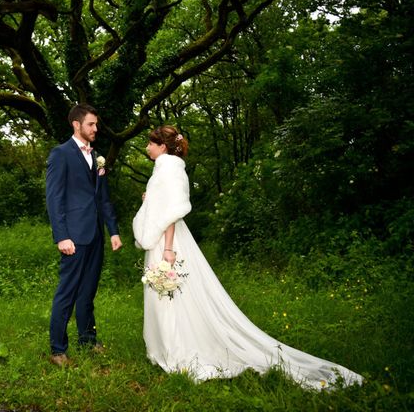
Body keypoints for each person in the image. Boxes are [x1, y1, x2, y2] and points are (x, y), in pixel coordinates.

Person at [132, 125, 363, 389]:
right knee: (166, 295)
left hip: (167, 241)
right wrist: (148, 199)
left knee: (170, 295)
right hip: (162, 239)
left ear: (162, 146)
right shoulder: (165, 168)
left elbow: (171, 212)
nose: (147, 147)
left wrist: (169, 249)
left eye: (150, 143)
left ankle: (175, 349)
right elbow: (162, 205)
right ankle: (166, 346)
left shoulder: (169, 169)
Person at [45, 103, 123, 366]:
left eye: (96, 124)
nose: (96, 128)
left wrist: (112, 231)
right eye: (91, 124)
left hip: (96, 236)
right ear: (76, 125)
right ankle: (58, 350)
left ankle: (88, 340)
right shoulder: (60, 154)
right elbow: (54, 199)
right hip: (74, 238)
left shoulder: (96, 156)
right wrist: (61, 236)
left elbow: (103, 198)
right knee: (67, 293)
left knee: (87, 293)